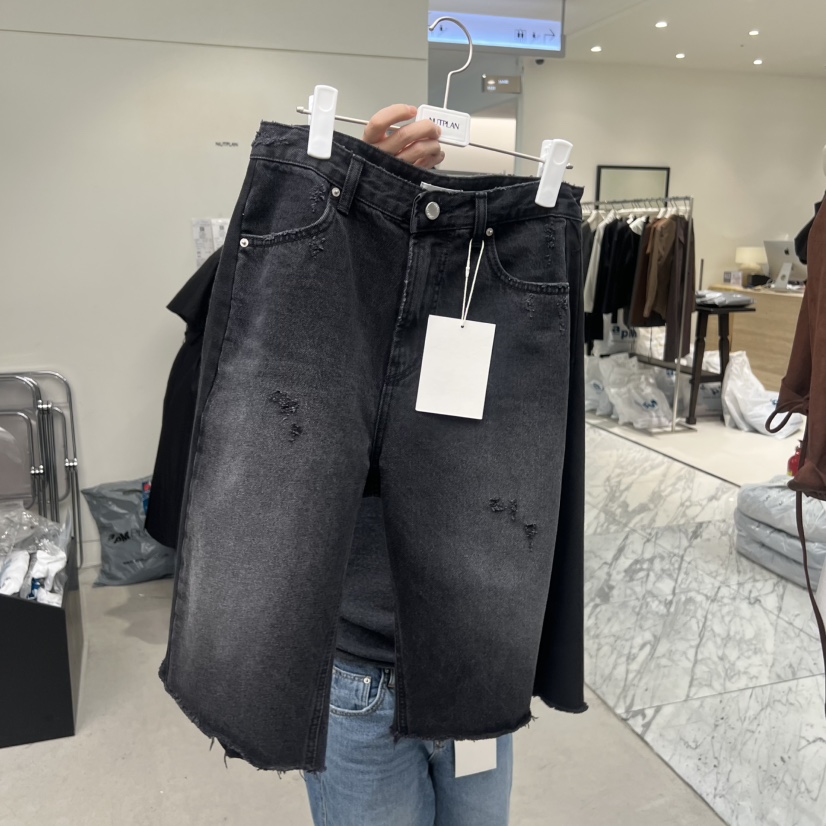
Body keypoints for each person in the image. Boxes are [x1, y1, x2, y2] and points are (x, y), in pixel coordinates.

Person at [302, 105, 513, 826]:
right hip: (358, 662)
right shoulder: (326, 287)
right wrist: (356, 211)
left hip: (475, 652)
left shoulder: (499, 285)